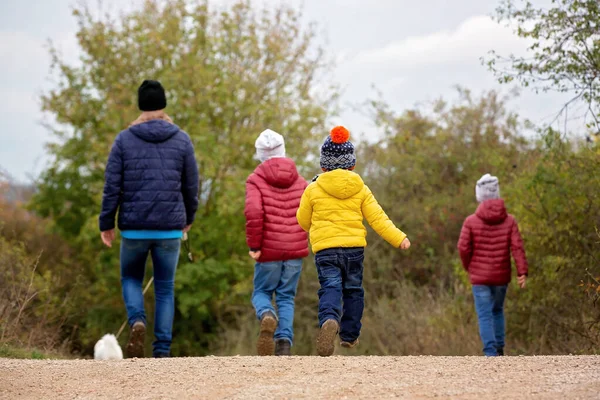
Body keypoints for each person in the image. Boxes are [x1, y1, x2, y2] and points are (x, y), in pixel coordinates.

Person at [99, 80, 199, 358]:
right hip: (169, 229)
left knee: (130, 278)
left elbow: (112, 186)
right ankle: (162, 351)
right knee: (165, 288)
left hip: (134, 229)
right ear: (164, 104)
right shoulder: (181, 139)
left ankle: (137, 321)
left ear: (140, 106)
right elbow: (191, 185)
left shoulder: (124, 140)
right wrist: (188, 218)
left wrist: (106, 223)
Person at [296, 126, 411, 357]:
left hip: (326, 250)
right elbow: (378, 218)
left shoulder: (313, 189)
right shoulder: (361, 189)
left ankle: (329, 319)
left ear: (323, 165)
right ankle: (349, 336)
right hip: (354, 250)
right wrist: (399, 238)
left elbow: (302, 220)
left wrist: (315, 225)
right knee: (353, 290)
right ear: (352, 165)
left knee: (330, 288)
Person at [245, 129, 309, 356]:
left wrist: (254, 246)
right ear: (283, 150)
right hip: (294, 250)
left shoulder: (255, 180)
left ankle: (266, 314)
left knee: (261, 292)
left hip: (268, 251)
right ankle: (284, 344)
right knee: (286, 296)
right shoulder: (301, 181)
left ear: (260, 154)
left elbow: (254, 212)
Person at [457, 173, 528, 357]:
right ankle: (500, 348)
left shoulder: (470, 221)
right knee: (497, 310)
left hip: (479, 278)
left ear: (479, 195)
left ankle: (490, 353)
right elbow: (517, 247)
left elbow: (463, 248)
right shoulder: (510, 220)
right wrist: (522, 271)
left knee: (484, 314)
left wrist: (469, 267)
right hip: (501, 276)